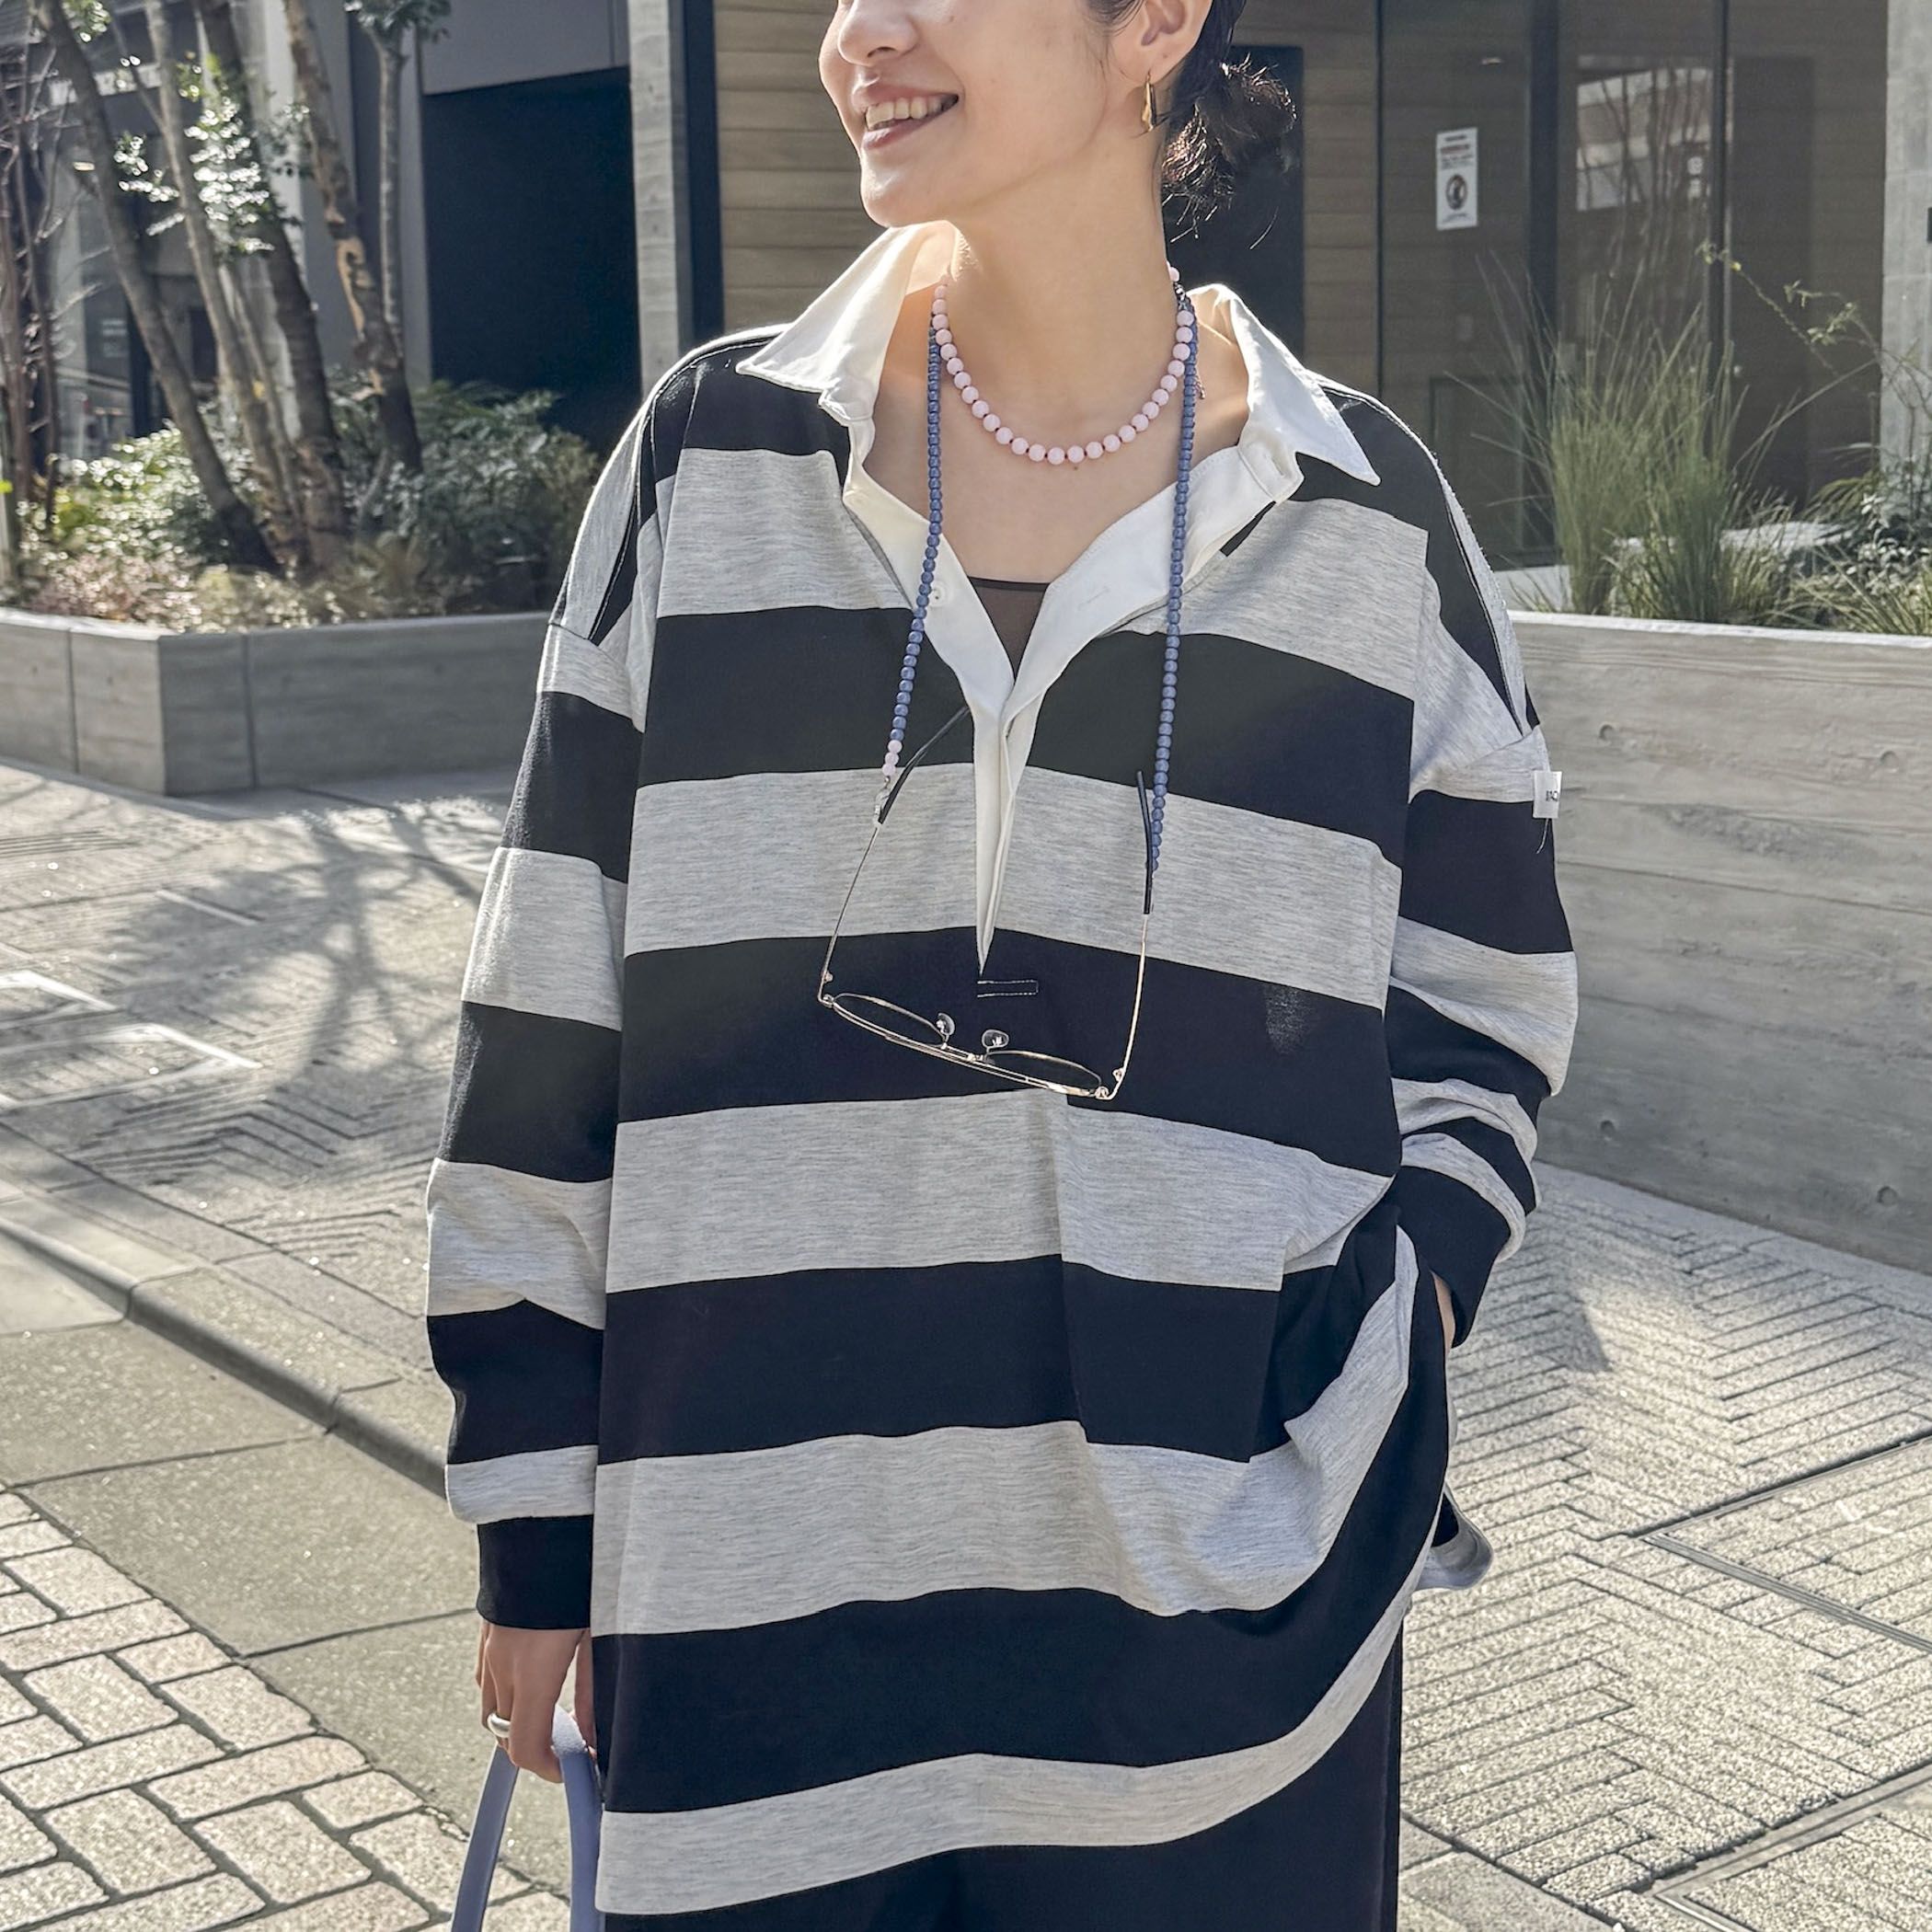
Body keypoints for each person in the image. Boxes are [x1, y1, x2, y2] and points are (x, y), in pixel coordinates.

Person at [421, 0, 1579, 1925]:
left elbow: (1489, 999)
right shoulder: (714, 462)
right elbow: (548, 1010)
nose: (856, 34)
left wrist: (1406, 1324)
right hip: (752, 1630)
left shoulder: (1369, 517)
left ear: (1156, 21)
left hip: (1227, 1665)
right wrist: (536, 1518)